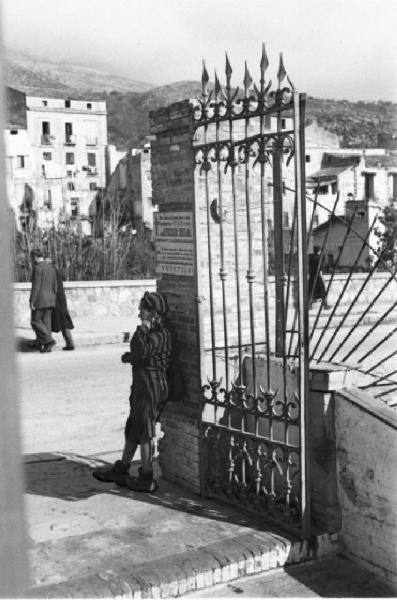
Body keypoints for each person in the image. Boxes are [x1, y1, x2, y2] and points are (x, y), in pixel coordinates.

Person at [93, 291, 172, 492]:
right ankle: (122, 468)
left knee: (145, 429)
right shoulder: (155, 333)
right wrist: (131, 357)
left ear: (153, 314)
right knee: (134, 426)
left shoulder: (161, 334)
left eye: (143, 312)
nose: (139, 315)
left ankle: (147, 476)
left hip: (151, 386)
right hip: (142, 385)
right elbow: (140, 354)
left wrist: (141, 332)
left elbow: (141, 351)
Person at [29, 248, 58, 353]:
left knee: (35, 321)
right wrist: (53, 297)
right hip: (50, 299)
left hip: (40, 299)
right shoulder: (51, 268)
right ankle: (47, 345)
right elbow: (55, 286)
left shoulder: (37, 268)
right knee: (46, 323)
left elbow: (36, 286)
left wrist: (32, 301)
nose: (31, 260)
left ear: (35, 257)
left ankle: (49, 341)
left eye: (32, 258)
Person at [46, 258, 75, 351]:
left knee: (49, 320)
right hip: (60, 299)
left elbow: (53, 287)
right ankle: (70, 343)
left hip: (56, 299)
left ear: (49, 264)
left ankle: (48, 343)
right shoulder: (55, 271)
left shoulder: (51, 272)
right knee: (63, 320)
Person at [308, 245, 330, 309]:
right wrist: (323, 278)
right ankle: (325, 305)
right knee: (323, 291)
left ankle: (309, 305)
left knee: (311, 291)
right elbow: (319, 270)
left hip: (312, 277)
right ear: (319, 251)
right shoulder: (319, 258)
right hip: (318, 277)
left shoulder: (311, 257)